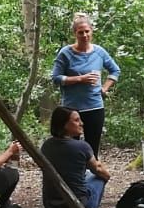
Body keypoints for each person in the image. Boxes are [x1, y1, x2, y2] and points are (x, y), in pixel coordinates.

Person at [50, 12, 120, 155]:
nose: (84, 35)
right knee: (71, 148)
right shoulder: (66, 53)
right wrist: (79, 79)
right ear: (75, 33)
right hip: (71, 109)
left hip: (94, 107)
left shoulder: (99, 52)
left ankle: (93, 175)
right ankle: (72, 174)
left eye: (87, 31)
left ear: (91, 31)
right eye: (80, 32)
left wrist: (104, 88)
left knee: (92, 148)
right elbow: (56, 78)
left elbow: (115, 70)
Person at [40, 106, 111, 208]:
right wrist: (107, 176)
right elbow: (99, 169)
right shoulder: (82, 146)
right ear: (64, 124)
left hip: (50, 205)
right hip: (79, 207)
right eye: (76, 120)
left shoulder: (46, 145)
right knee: (99, 177)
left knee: (87, 174)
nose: (82, 123)